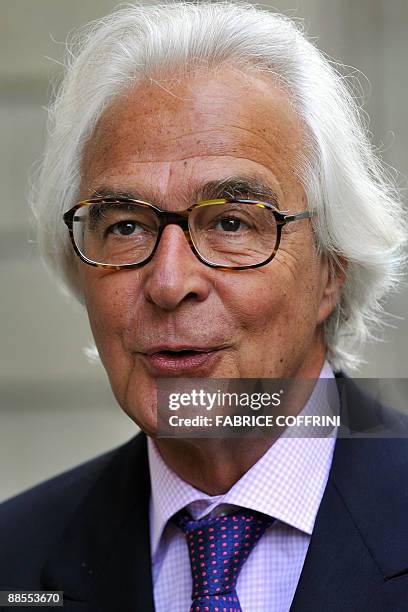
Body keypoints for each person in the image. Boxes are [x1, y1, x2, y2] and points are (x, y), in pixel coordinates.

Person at [1, 3, 407, 611]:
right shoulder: (17, 561)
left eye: (231, 223)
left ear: (331, 268)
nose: (168, 282)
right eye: (126, 226)